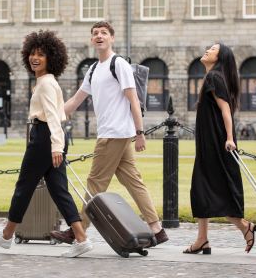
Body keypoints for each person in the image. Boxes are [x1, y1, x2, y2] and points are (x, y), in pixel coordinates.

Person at [50, 21, 168, 246]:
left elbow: (133, 99)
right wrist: (51, 117)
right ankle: (157, 229)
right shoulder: (93, 69)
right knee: (134, 182)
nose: (99, 36)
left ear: (112, 38)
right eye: (95, 33)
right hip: (117, 134)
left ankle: (78, 230)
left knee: (94, 183)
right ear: (92, 40)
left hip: (113, 134)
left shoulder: (119, 63)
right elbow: (75, 101)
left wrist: (140, 132)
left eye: (104, 33)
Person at [0, 30, 93, 258]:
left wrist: (55, 146)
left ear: (51, 58)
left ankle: (6, 235)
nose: (35, 57)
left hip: (45, 138)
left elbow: (53, 116)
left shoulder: (46, 84)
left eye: (41, 54)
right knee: (60, 191)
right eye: (32, 53)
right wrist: (58, 144)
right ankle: (81, 238)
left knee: (24, 187)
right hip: (51, 138)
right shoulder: (46, 81)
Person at [184, 43, 256, 255]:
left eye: (213, 49)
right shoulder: (214, 77)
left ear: (220, 57)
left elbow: (226, 110)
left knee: (212, 190)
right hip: (210, 143)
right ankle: (202, 239)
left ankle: (245, 227)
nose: (207, 50)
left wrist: (229, 138)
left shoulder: (214, 78)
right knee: (203, 189)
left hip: (216, 144)